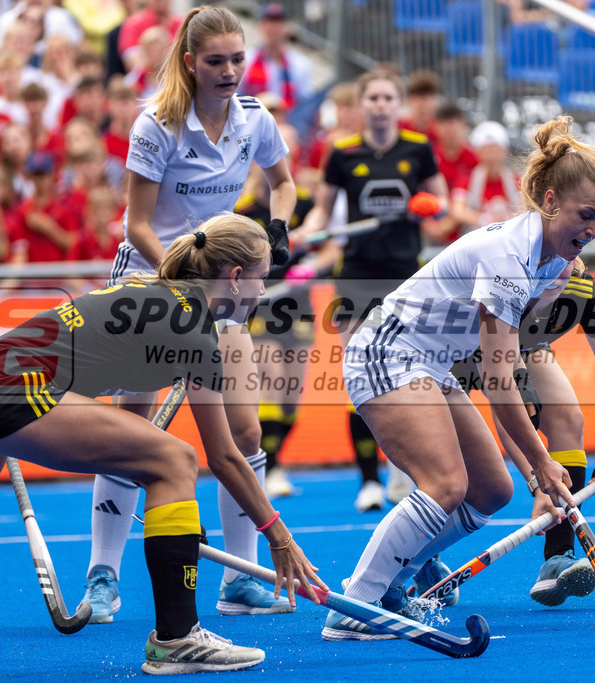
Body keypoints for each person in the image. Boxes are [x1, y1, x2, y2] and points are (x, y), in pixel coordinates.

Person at [0, 213, 327, 674]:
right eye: (261, 279)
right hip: (11, 395)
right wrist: (279, 537)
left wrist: (179, 524)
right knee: (175, 460)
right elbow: (224, 456)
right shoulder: (192, 326)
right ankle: (176, 639)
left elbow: (133, 421)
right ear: (234, 277)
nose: (262, 293)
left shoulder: (153, 294)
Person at [319, 115, 595, 640]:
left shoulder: (555, 263)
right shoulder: (510, 257)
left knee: (490, 490)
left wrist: (533, 470)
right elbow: (498, 381)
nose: (594, 230)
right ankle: (355, 607)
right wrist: (541, 462)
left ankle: (396, 582)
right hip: (388, 352)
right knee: (445, 485)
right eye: (586, 215)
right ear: (550, 202)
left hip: (432, 365)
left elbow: (503, 365)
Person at [83, 5, 298, 625]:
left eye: (237, 59)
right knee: (132, 429)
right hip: (150, 279)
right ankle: (103, 575)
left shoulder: (255, 119)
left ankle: (240, 578)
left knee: (244, 434)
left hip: (222, 287)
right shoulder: (157, 125)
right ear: (189, 62)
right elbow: (138, 226)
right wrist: (182, 285)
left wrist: (277, 227)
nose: (229, 71)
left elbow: (283, 182)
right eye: (216, 61)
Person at [295, 67, 449, 515]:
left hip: (405, 275)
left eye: (387, 98)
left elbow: (442, 206)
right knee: (360, 374)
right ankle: (367, 480)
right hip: (356, 275)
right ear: (361, 104)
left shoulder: (418, 148)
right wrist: (305, 232)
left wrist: (430, 207)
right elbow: (321, 212)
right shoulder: (342, 153)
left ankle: (405, 471)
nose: (380, 105)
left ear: (397, 104)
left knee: (410, 372)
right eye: (373, 98)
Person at [452, 257, 595, 606]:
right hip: (448, 350)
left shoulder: (583, 289)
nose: (555, 274)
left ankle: (557, 557)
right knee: (450, 467)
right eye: (545, 267)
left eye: (564, 266)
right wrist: (538, 481)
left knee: (568, 419)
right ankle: (416, 560)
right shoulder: (509, 286)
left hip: (521, 346)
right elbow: (508, 407)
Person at [234, 163, 315, 499]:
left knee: (291, 397)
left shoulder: (305, 205)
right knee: (272, 381)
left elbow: (328, 244)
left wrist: (312, 264)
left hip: (298, 305)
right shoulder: (244, 212)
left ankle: (272, 459)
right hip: (262, 307)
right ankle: (272, 467)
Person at [240, 3, 314, 113]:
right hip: (251, 117)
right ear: (260, 26)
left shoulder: (300, 64)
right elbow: (238, 95)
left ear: (287, 28)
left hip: (286, 119)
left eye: (278, 22)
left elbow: (304, 102)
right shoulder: (246, 59)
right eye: (269, 22)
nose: (273, 27)